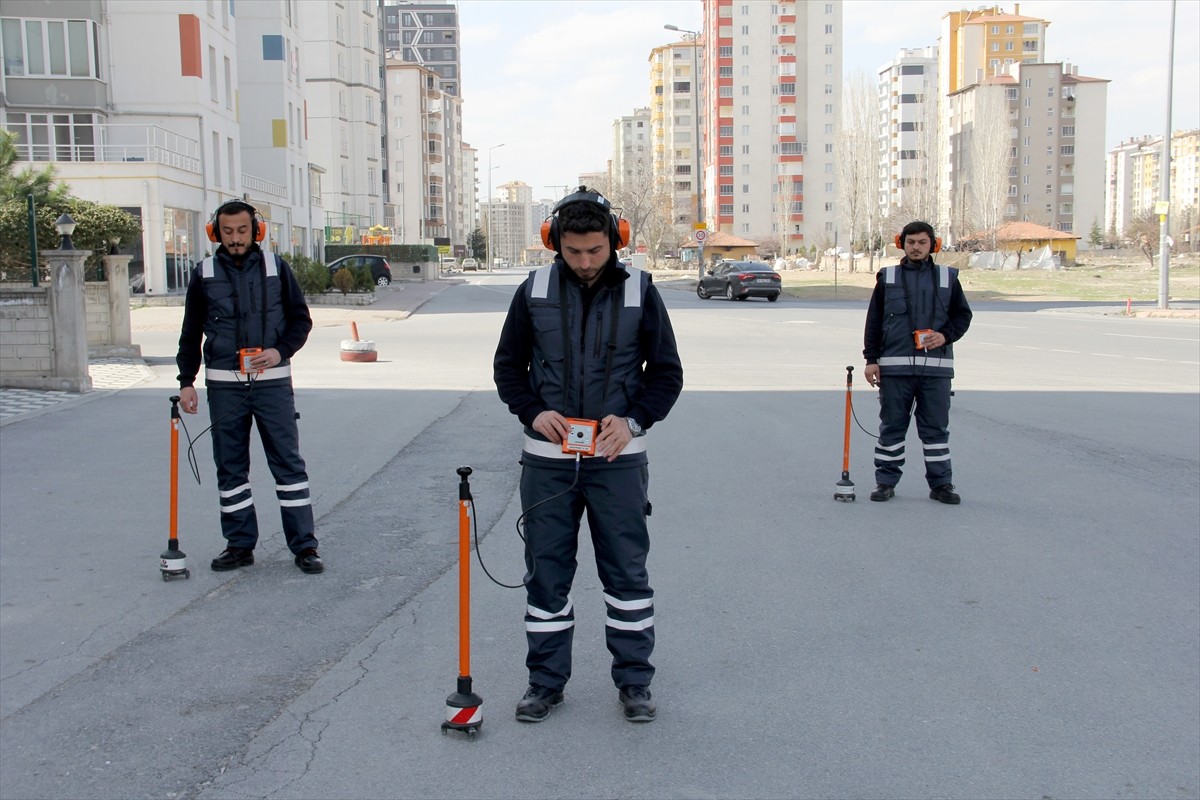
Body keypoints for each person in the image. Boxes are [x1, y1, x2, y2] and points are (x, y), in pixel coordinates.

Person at [493, 187, 684, 723]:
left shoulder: (641, 291)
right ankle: (545, 683)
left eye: (595, 250)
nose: (583, 262)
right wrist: (532, 411)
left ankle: (635, 683)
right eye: (573, 251)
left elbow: (666, 374)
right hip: (547, 463)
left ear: (615, 241)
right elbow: (508, 368)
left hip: (616, 461)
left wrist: (634, 420)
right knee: (546, 575)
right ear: (554, 242)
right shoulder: (533, 291)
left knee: (626, 575)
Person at [175, 200, 323, 574]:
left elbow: (300, 321)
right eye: (227, 232)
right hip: (224, 388)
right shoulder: (204, 273)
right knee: (230, 469)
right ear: (215, 233)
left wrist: (279, 351)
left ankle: (305, 547)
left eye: (242, 231)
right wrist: (186, 382)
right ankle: (240, 545)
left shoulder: (277, 268)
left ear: (256, 231)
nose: (235, 238)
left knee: (288, 465)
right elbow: (190, 333)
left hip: (273, 386)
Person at [862, 220, 973, 505]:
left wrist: (945, 336)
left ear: (933, 245)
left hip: (936, 372)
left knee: (935, 431)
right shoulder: (888, 278)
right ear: (902, 244)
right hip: (894, 371)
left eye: (922, 242)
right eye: (911, 242)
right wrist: (871, 360)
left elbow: (962, 316)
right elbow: (874, 322)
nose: (916, 247)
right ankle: (885, 483)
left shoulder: (948, 278)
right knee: (892, 428)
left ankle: (941, 485)